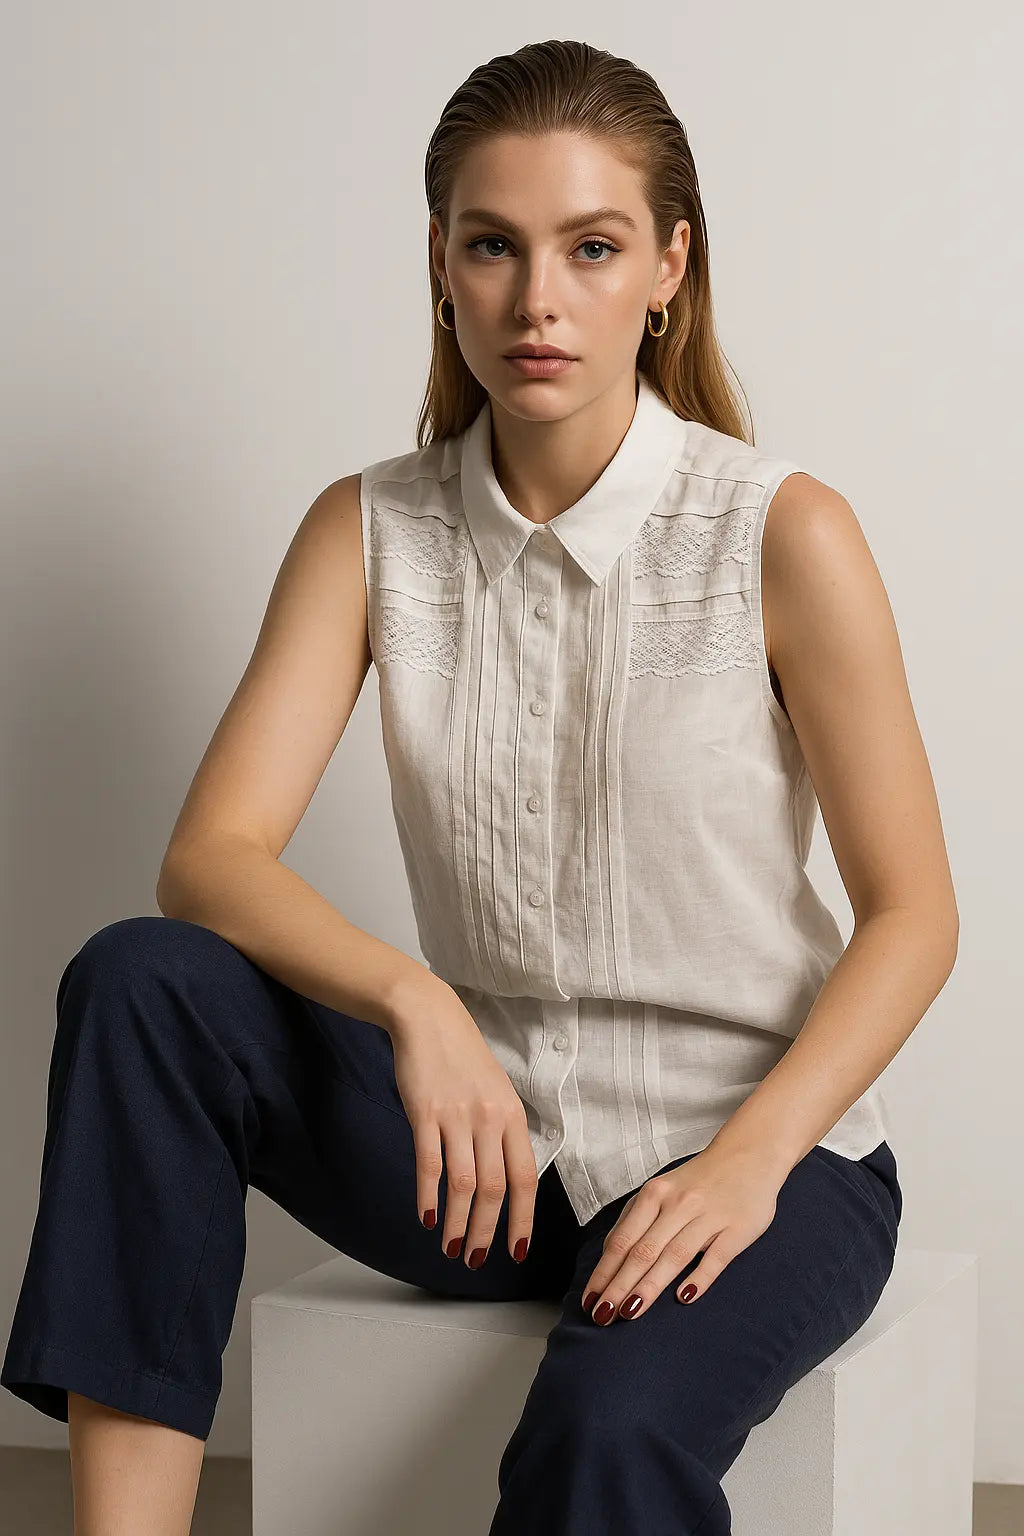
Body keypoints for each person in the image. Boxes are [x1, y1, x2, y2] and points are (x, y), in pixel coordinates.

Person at [2, 38, 959, 1536]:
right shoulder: (368, 532)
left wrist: (750, 1165)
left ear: (670, 266)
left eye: (593, 247)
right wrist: (415, 1003)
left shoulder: (782, 534)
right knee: (145, 984)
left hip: (758, 1150)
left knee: (607, 1429)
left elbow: (915, 917)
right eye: (493, 245)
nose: (537, 299)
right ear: (442, 264)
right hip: (483, 1156)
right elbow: (212, 857)